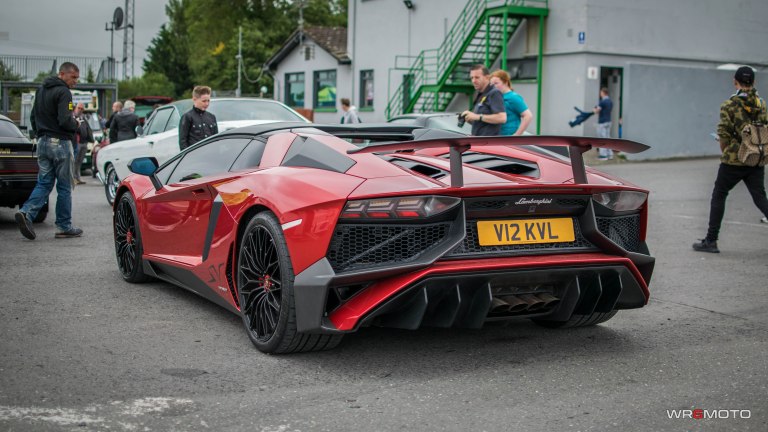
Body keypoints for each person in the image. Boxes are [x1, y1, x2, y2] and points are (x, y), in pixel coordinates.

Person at [693, 66, 768, 253]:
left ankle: (711, 240)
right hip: (756, 158)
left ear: (735, 82)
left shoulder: (730, 105)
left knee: (719, 194)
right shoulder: (761, 104)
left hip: (734, 160)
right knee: (760, 198)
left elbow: (724, 134)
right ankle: (710, 240)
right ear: (754, 82)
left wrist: (725, 150)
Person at [15, 62, 83, 240]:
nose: (75, 81)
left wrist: (40, 134)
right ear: (62, 74)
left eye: (77, 78)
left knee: (44, 183)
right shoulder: (64, 92)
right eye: (73, 77)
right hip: (60, 143)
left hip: (42, 142)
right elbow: (65, 120)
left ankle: (26, 212)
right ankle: (64, 226)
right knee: (64, 186)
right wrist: (76, 124)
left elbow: (33, 116)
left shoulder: (41, 90)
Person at [461, 64, 506, 136]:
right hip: (478, 139)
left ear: (487, 77)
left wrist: (477, 116)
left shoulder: (494, 93)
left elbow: (502, 118)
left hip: (489, 141)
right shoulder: (481, 94)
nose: (473, 81)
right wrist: (469, 118)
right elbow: (482, 123)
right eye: (472, 78)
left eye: (477, 77)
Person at [490, 69, 533, 135]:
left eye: (496, 83)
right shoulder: (495, 97)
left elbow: (528, 116)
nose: (493, 86)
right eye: (491, 84)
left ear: (506, 83)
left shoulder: (513, 97)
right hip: (497, 136)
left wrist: (517, 135)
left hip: (509, 137)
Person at [179, 86, 218, 150]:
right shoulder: (187, 117)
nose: (207, 104)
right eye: (204, 101)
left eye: (208, 101)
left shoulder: (212, 117)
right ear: (194, 99)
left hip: (210, 153)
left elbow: (216, 140)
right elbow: (183, 142)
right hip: (195, 154)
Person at [72, 102, 94, 185]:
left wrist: (91, 139)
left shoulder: (83, 118)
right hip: (77, 143)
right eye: (79, 108)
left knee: (79, 162)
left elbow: (88, 129)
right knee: (74, 161)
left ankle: (78, 178)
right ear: (75, 108)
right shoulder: (72, 117)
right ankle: (74, 178)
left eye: (82, 109)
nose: (80, 110)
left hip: (84, 142)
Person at [593, 87, 614, 160]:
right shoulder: (610, 101)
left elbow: (596, 111)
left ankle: (603, 155)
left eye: (601, 92)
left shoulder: (602, 102)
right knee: (607, 138)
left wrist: (594, 109)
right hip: (608, 121)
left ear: (603, 93)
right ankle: (610, 154)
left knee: (601, 139)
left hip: (602, 122)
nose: (600, 94)